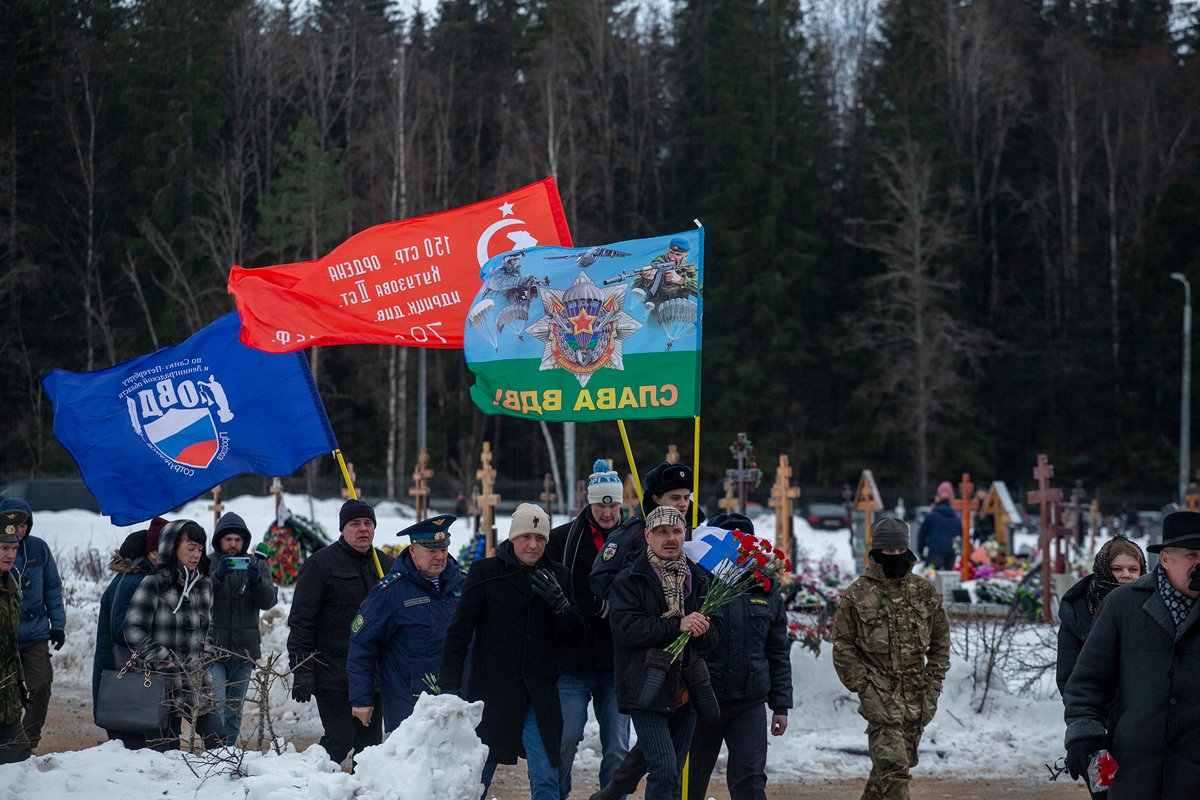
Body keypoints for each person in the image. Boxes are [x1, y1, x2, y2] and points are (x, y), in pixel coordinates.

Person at [439, 503, 584, 800]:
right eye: (526, 537)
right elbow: (458, 633)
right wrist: (450, 687)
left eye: (540, 538)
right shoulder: (485, 572)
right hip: (492, 695)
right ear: (513, 537)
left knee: (545, 777)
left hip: (539, 695)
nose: (533, 545)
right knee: (476, 779)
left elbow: (576, 639)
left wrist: (562, 607)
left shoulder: (559, 576)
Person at [1063, 511, 1200, 797]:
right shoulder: (1123, 606)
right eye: (1192, 555)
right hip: (1133, 771)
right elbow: (1088, 681)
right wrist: (1083, 735)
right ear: (1165, 559)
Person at [607, 505, 722, 800]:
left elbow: (716, 635)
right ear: (648, 535)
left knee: (669, 768)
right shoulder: (630, 579)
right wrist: (677, 625)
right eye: (661, 532)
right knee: (664, 768)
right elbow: (626, 629)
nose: (670, 538)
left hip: (687, 689)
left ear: (685, 534)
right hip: (645, 686)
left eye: (676, 531)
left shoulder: (699, 579)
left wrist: (704, 629)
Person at [833, 516, 950, 800]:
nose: (896, 557)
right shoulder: (857, 596)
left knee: (891, 770)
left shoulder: (923, 591)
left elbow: (940, 640)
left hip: (917, 697)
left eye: (900, 552)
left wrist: (933, 684)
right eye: (889, 552)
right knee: (895, 768)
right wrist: (863, 686)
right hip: (879, 696)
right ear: (877, 553)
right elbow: (843, 645)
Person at [685, 512, 791, 800]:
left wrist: (780, 705)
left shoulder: (765, 590)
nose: (737, 552)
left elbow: (778, 651)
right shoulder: (696, 584)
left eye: (744, 545)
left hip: (748, 702)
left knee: (750, 782)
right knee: (689, 783)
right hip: (702, 699)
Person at [287, 499, 394, 767]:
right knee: (340, 738)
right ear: (342, 529)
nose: (363, 529)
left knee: (370, 749)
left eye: (368, 523)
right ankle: (308, 786)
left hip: (373, 675)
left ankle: (363, 793)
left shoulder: (386, 565)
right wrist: (302, 668)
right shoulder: (321, 565)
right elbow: (302, 620)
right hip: (333, 672)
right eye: (355, 523)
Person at [548, 460, 631, 800]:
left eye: (613, 503)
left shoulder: (637, 538)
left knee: (617, 747)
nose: (607, 511)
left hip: (617, 659)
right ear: (589, 502)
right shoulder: (563, 540)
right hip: (573, 659)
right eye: (601, 503)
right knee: (565, 740)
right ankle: (559, 792)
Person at [347, 515, 463, 733]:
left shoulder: (463, 585)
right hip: (411, 705)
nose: (439, 556)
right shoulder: (390, 592)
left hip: (457, 698)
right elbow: (362, 644)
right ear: (413, 551)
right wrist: (361, 697)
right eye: (431, 551)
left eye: (443, 550)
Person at [123, 519, 225, 751]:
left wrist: (207, 653)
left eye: (200, 548)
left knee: (218, 740)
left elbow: (208, 628)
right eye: (190, 548)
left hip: (195, 680)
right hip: (160, 681)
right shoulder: (154, 584)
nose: (196, 555)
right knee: (165, 752)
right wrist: (162, 657)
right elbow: (133, 629)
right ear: (171, 547)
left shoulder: (204, 585)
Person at [92, 518, 165, 749]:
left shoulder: (134, 577)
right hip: (124, 681)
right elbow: (122, 630)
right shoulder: (134, 581)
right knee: (130, 749)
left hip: (124, 681)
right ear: (153, 553)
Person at [208, 511, 279, 745]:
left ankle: (227, 752)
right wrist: (217, 578)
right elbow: (198, 598)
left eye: (238, 540)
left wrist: (257, 581)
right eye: (228, 539)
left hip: (244, 651)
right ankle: (213, 752)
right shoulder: (208, 563)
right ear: (219, 540)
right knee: (216, 705)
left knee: (234, 709)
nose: (233, 545)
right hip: (214, 650)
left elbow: (268, 601)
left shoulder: (256, 563)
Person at [0, 498, 65, 752]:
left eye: (24, 523)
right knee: (9, 691)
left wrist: (57, 624)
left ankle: (28, 740)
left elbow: (53, 588)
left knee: (40, 686)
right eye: (13, 522)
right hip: (8, 637)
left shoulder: (39, 549)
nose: (19, 528)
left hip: (35, 632)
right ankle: (10, 742)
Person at [590, 461, 700, 607]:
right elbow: (601, 579)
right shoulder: (632, 533)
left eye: (686, 497)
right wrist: (640, 601)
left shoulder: (695, 531)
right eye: (675, 498)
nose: (683, 504)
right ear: (656, 499)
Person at [1056, 536, 1145, 696]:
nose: (1126, 575)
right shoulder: (1078, 611)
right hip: (1097, 710)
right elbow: (1068, 676)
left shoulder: (1150, 606)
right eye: (1117, 569)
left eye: (1133, 569)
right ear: (1103, 569)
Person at [0, 507, 32, 764]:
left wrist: (19, 682)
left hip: (6, 696)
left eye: (14, 549)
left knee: (18, 759)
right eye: (3, 548)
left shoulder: (10, 586)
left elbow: (11, 645)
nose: (11, 555)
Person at [633, 237, 698, 312]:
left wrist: (681, 280)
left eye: (678, 254)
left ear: (686, 256)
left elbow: (701, 291)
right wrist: (645, 280)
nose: (672, 258)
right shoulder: (659, 262)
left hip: (678, 312)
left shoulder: (689, 270)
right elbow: (635, 288)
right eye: (671, 252)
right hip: (653, 309)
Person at [916, 482, 958, 570]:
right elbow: (959, 537)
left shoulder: (931, 515)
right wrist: (957, 553)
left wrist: (920, 551)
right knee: (948, 580)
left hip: (934, 552)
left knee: (931, 579)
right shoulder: (956, 518)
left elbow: (922, 534)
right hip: (951, 554)